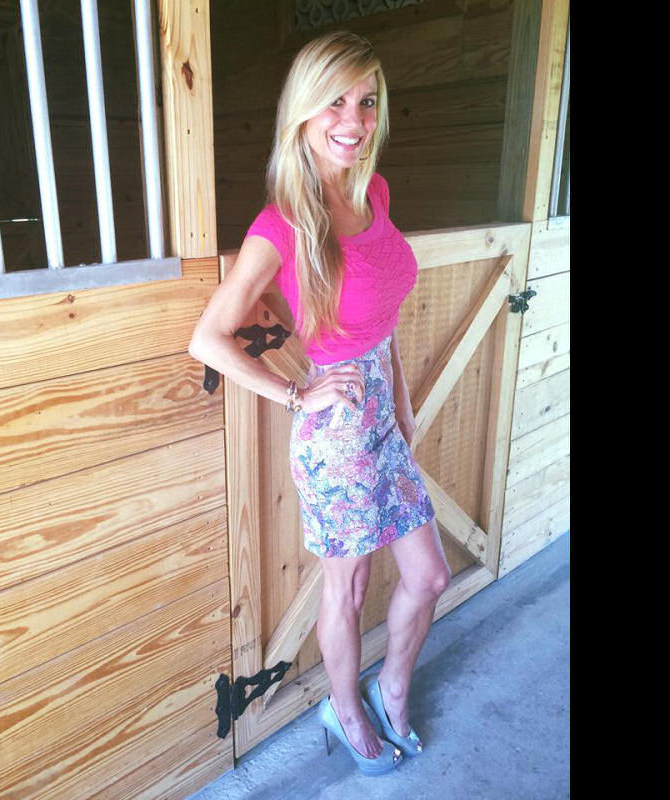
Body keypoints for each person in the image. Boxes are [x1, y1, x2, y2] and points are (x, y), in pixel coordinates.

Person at [188, 30, 451, 777]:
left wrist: (401, 402)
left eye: (367, 102)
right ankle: (345, 710)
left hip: (383, 415)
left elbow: (382, 322)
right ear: (303, 110)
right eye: (335, 101)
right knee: (352, 583)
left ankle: (390, 687)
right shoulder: (280, 225)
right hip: (335, 432)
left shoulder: (374, 193)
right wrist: (295, 392)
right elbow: (208, 338)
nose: (354, 120)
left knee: (429, 575)